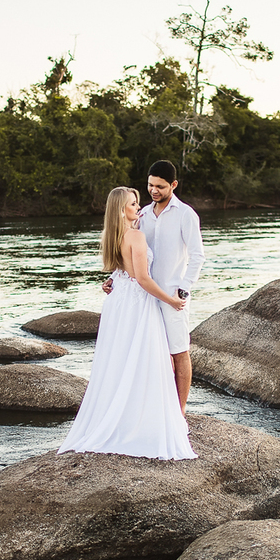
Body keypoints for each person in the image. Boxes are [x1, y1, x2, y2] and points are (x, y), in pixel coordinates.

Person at [58, 186, 197, 460]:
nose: (139, 206)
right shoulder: (135, 235)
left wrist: (111, 281)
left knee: (120, 361)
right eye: (134, 204)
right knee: (146, 361)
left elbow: (120, 271)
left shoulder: (112, 235)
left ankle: (124, 416)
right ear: (123, 210)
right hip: (138, 304)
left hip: (118, 303)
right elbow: (143, 279)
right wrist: (171, 301)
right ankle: (145, 420)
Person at [103, 160, 205, 414]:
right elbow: (130, 254)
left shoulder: (186, 215)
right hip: (144, 297)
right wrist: (114, 278)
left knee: (179, 353)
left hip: (172, 295)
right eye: (150, 185)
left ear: (173, 185)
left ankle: (179, 412)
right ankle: (159, 410)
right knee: (156, 355)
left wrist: (183, 289)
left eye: (160, 186)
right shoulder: (143, 215)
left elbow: (197, 256)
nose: (153, 191)